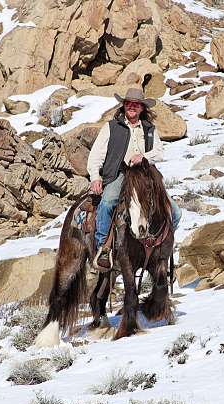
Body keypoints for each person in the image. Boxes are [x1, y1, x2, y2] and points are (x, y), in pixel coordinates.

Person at [87, 88, 181, 270]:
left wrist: (144, 157)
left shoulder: (149, 129)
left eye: (135, 104)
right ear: (124, 106)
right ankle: (103, 248)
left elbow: (159, 152)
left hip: (145, 175)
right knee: (107, 203)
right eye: (128, 103)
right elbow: (96, 155)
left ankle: (162, 249)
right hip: (120, 173)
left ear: (141, 108)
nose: (132, 107)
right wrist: (95, 177)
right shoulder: (111, 127)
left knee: (175, 212)